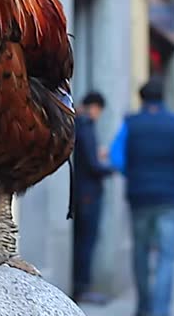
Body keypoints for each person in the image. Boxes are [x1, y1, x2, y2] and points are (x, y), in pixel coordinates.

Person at [109, 78, 174, 316]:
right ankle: (160, 311)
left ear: (142, 99)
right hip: (169, 198)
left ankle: (143, 307)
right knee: (166, 257)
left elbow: (116, 159)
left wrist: (134, 173)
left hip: (139, 198)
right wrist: (173, 172)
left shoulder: (130, 124)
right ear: (163, 98)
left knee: (140, 252)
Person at [72, 91, 114, 305]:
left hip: (82, 191)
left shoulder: (79, 124)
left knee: (83, 240)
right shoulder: (86, 126)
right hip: (88, 193)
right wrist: (111, 167)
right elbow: (92, 164)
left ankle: (81, 286)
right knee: (86, 241)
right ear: (95, 107)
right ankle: (82, 287)